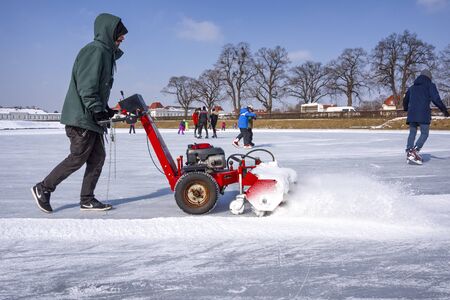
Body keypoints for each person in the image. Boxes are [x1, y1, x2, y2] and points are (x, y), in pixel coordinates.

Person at [31, 13, 128, 213]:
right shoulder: (95, 51)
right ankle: (43, 188)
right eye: (120, 34)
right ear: (109, 32)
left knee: (97, 157)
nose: (123, 38)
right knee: (78, 157)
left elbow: (97, 88)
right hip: (82, 118)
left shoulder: (106, 54)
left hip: (90, 118)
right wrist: (97, 110)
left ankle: (87, 199)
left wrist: (105, 110)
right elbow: (87, 86)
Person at [403, 69, 449, 164]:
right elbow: (436, 99)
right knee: (424, 133)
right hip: (423, 114)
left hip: (412, 114)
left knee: (412, 133)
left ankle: (409, 151)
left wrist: (406, 108)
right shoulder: (430, 85)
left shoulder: (412, 87)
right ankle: (414, 151)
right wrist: (444, 110)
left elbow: (405, 100)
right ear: (429, 77)